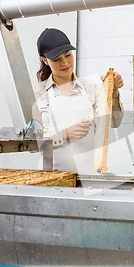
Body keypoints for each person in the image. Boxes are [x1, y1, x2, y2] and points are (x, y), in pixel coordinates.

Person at [34, 28, 124, 174]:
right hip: (51, 176)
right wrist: (65, 134)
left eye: (68, 55)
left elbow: (114, 122)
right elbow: (33, 145)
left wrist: (113, 91)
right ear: (45, 60)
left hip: (88, 176)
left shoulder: (91, 88)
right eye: (57, 59)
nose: (65, 63)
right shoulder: (37, 95)